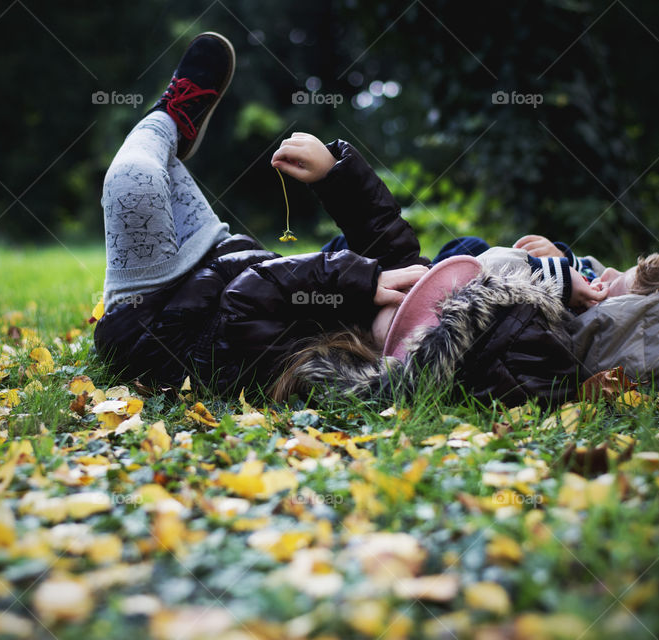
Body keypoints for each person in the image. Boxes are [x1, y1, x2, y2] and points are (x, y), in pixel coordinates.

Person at [93, 32, 430, 396]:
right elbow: (383, 233)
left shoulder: (330, 368)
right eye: (422, 296)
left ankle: (166, 121)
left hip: (150, 326)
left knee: (133, 177)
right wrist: (333, 172)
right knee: (163, 166)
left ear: (398, 356)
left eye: (413, 320)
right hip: (212, 263)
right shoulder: (381, 298)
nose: (408, 299)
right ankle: (175, 124)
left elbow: (246, 299)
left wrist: (356, 280)